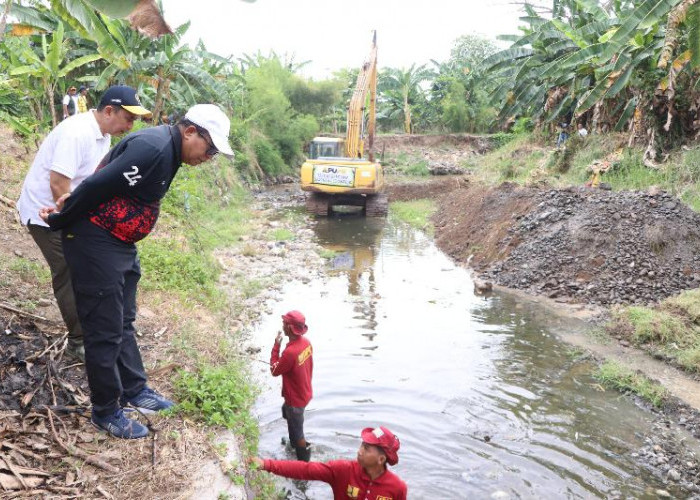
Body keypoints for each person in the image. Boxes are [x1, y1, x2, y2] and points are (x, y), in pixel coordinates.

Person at [40, 103, 234, 439]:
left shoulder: (170, 151)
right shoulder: (153, 148)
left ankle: (135, 389)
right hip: (95, 242)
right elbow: (97, 185)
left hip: (120, 244)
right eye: (210, 147)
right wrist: (61, 218)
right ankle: (106, 411)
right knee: (104, 330)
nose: (210, 156)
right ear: (190, 132)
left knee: (124, 321)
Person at [17, 85, 151, 361]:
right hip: (46, 212)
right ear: (109, 111)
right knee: (68, 270)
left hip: (70, 210)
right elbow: (58, 183)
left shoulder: (102, 135)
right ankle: (79, 341)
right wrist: (69, 220)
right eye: (129, 117)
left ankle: (96, 330)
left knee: (88, 268)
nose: (131, 124)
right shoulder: (77, 133)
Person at [251, 425, 407, 500]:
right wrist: (266, 464)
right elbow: (305, 470)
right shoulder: (343, 470)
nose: (359, 451)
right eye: (361, 445)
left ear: (381, 459)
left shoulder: (397, 488)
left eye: (366, 449)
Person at [270, 310, 313, 461]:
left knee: (298, 431)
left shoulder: (290, 352)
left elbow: (274, 370)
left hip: (295, 400)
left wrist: (276, 346)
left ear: (289, 328)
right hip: (304, 393)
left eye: (284, 323)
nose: (282, 325)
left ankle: (304, 462)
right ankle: (293, 444)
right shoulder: (306, 343)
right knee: (286, 412)